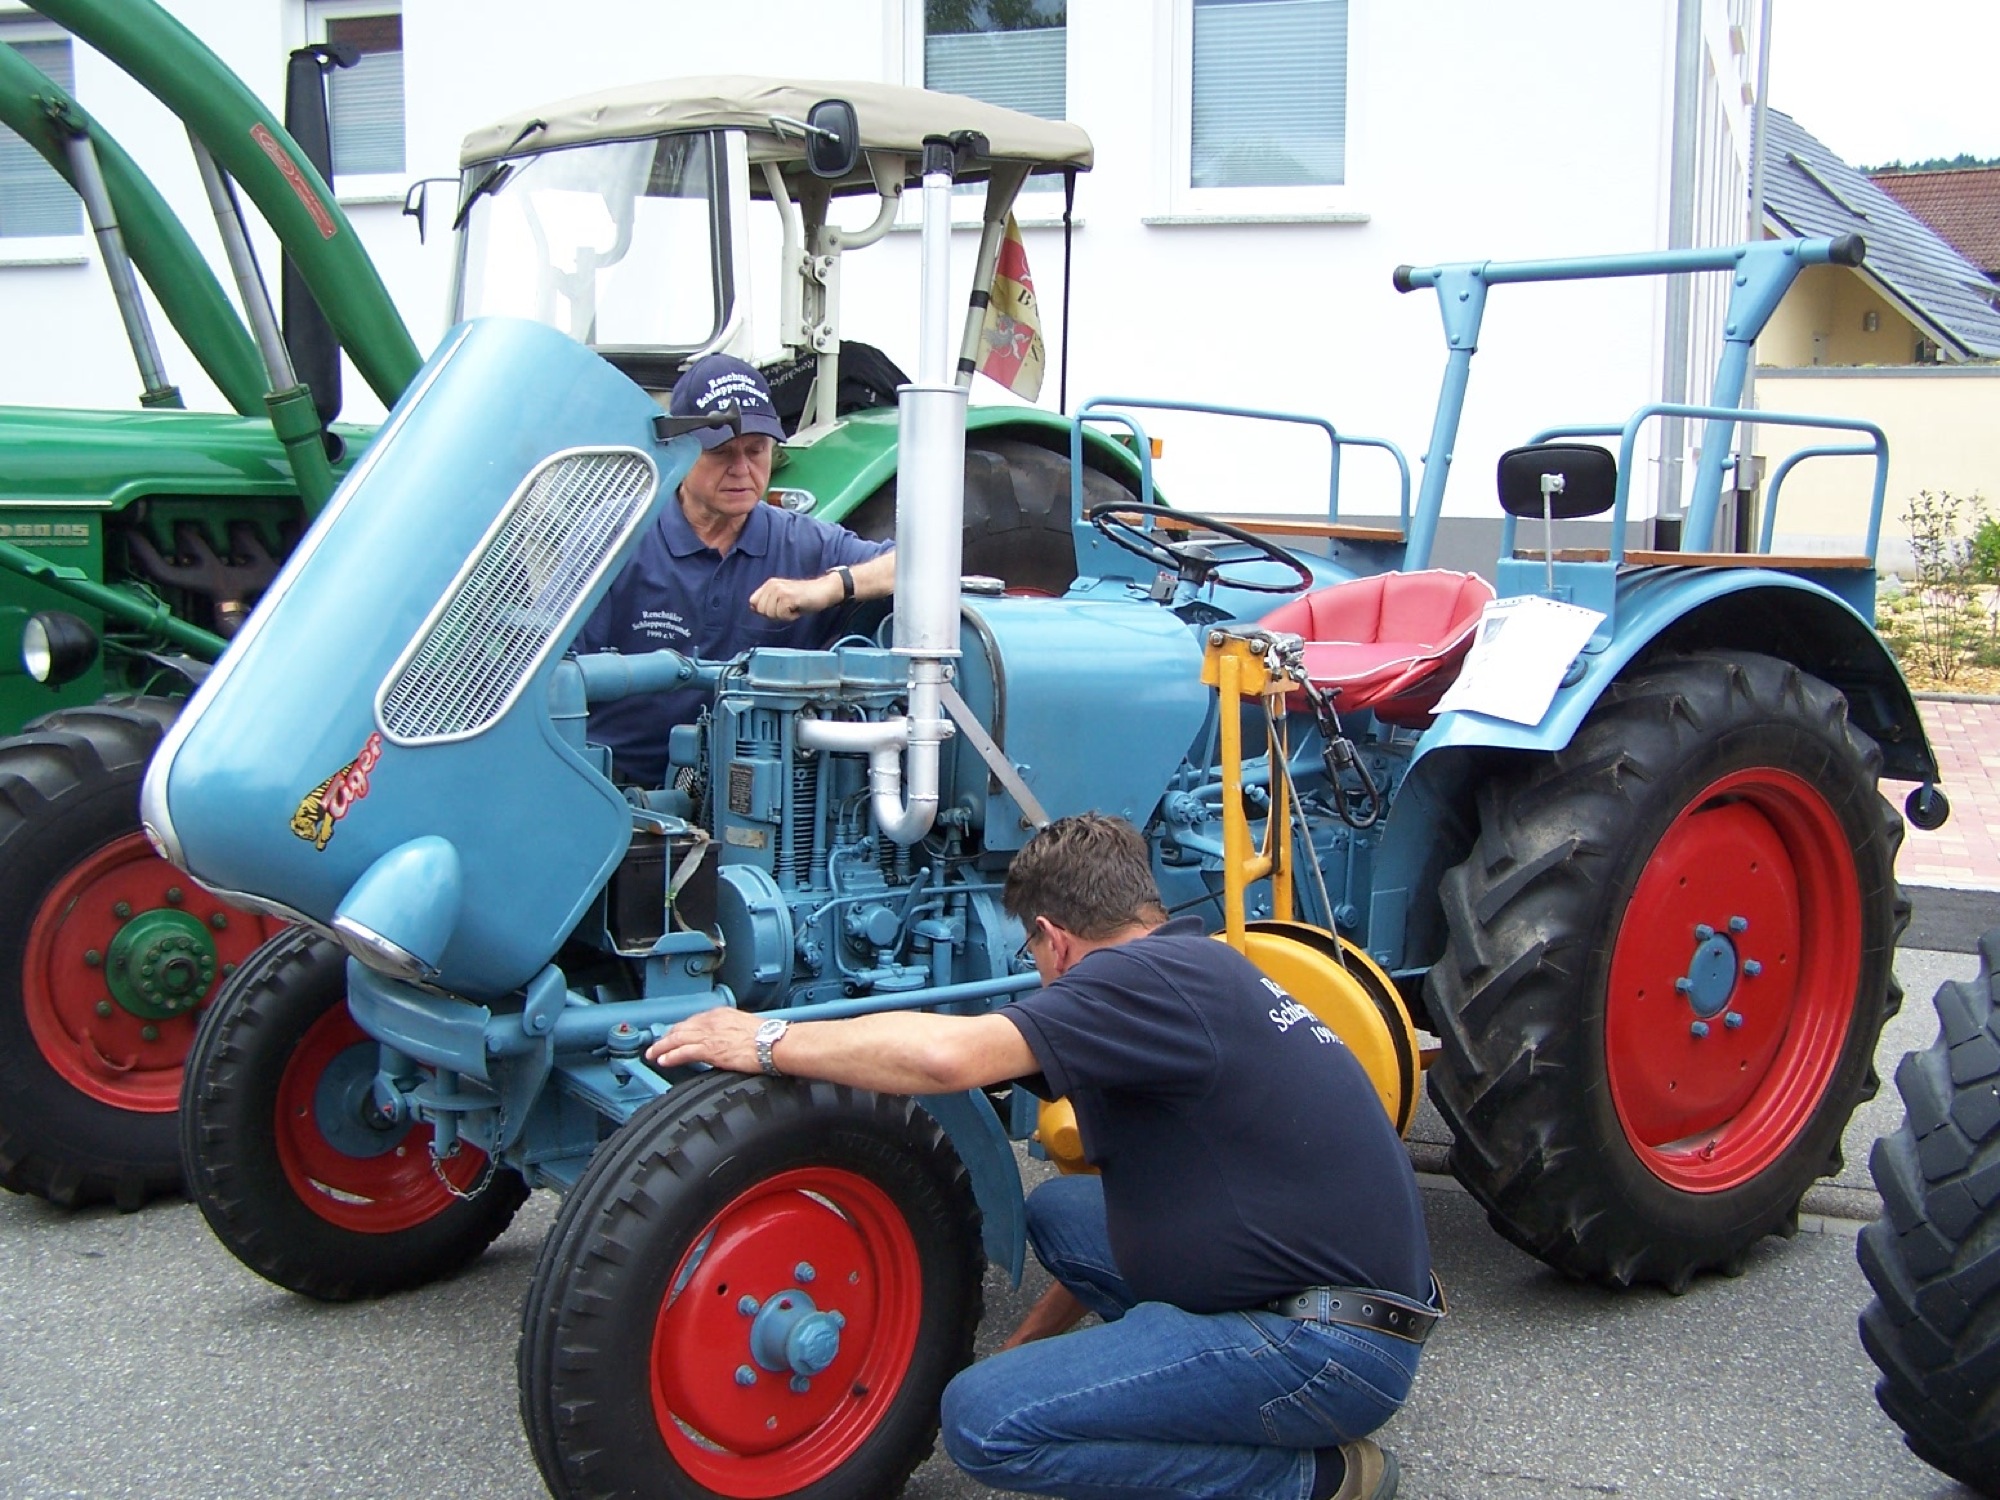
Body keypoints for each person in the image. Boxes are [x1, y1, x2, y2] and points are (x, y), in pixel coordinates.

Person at [647, 812, 1435, 1500]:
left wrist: (767, 1038)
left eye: (1032, 950)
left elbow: (948, 1058)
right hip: (1344, 1302)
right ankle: (1178, 1378)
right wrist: (1029, 1349)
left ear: (1055, 940)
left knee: (986, 1421)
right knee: (1058, 1210)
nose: (1036, 967)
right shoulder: (1198, 966)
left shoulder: (1137, 982)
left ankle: (1313, 1480)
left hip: (1325, 1352)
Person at [576, 353, 897, 785]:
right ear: (678, 450)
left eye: (756, 450)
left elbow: (924, 567)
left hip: (749, 790)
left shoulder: (801, 541)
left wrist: (830, 586)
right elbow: (558, 683)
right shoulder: (613, 535)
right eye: (722, 452)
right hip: (609, 787)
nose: (742, 470)